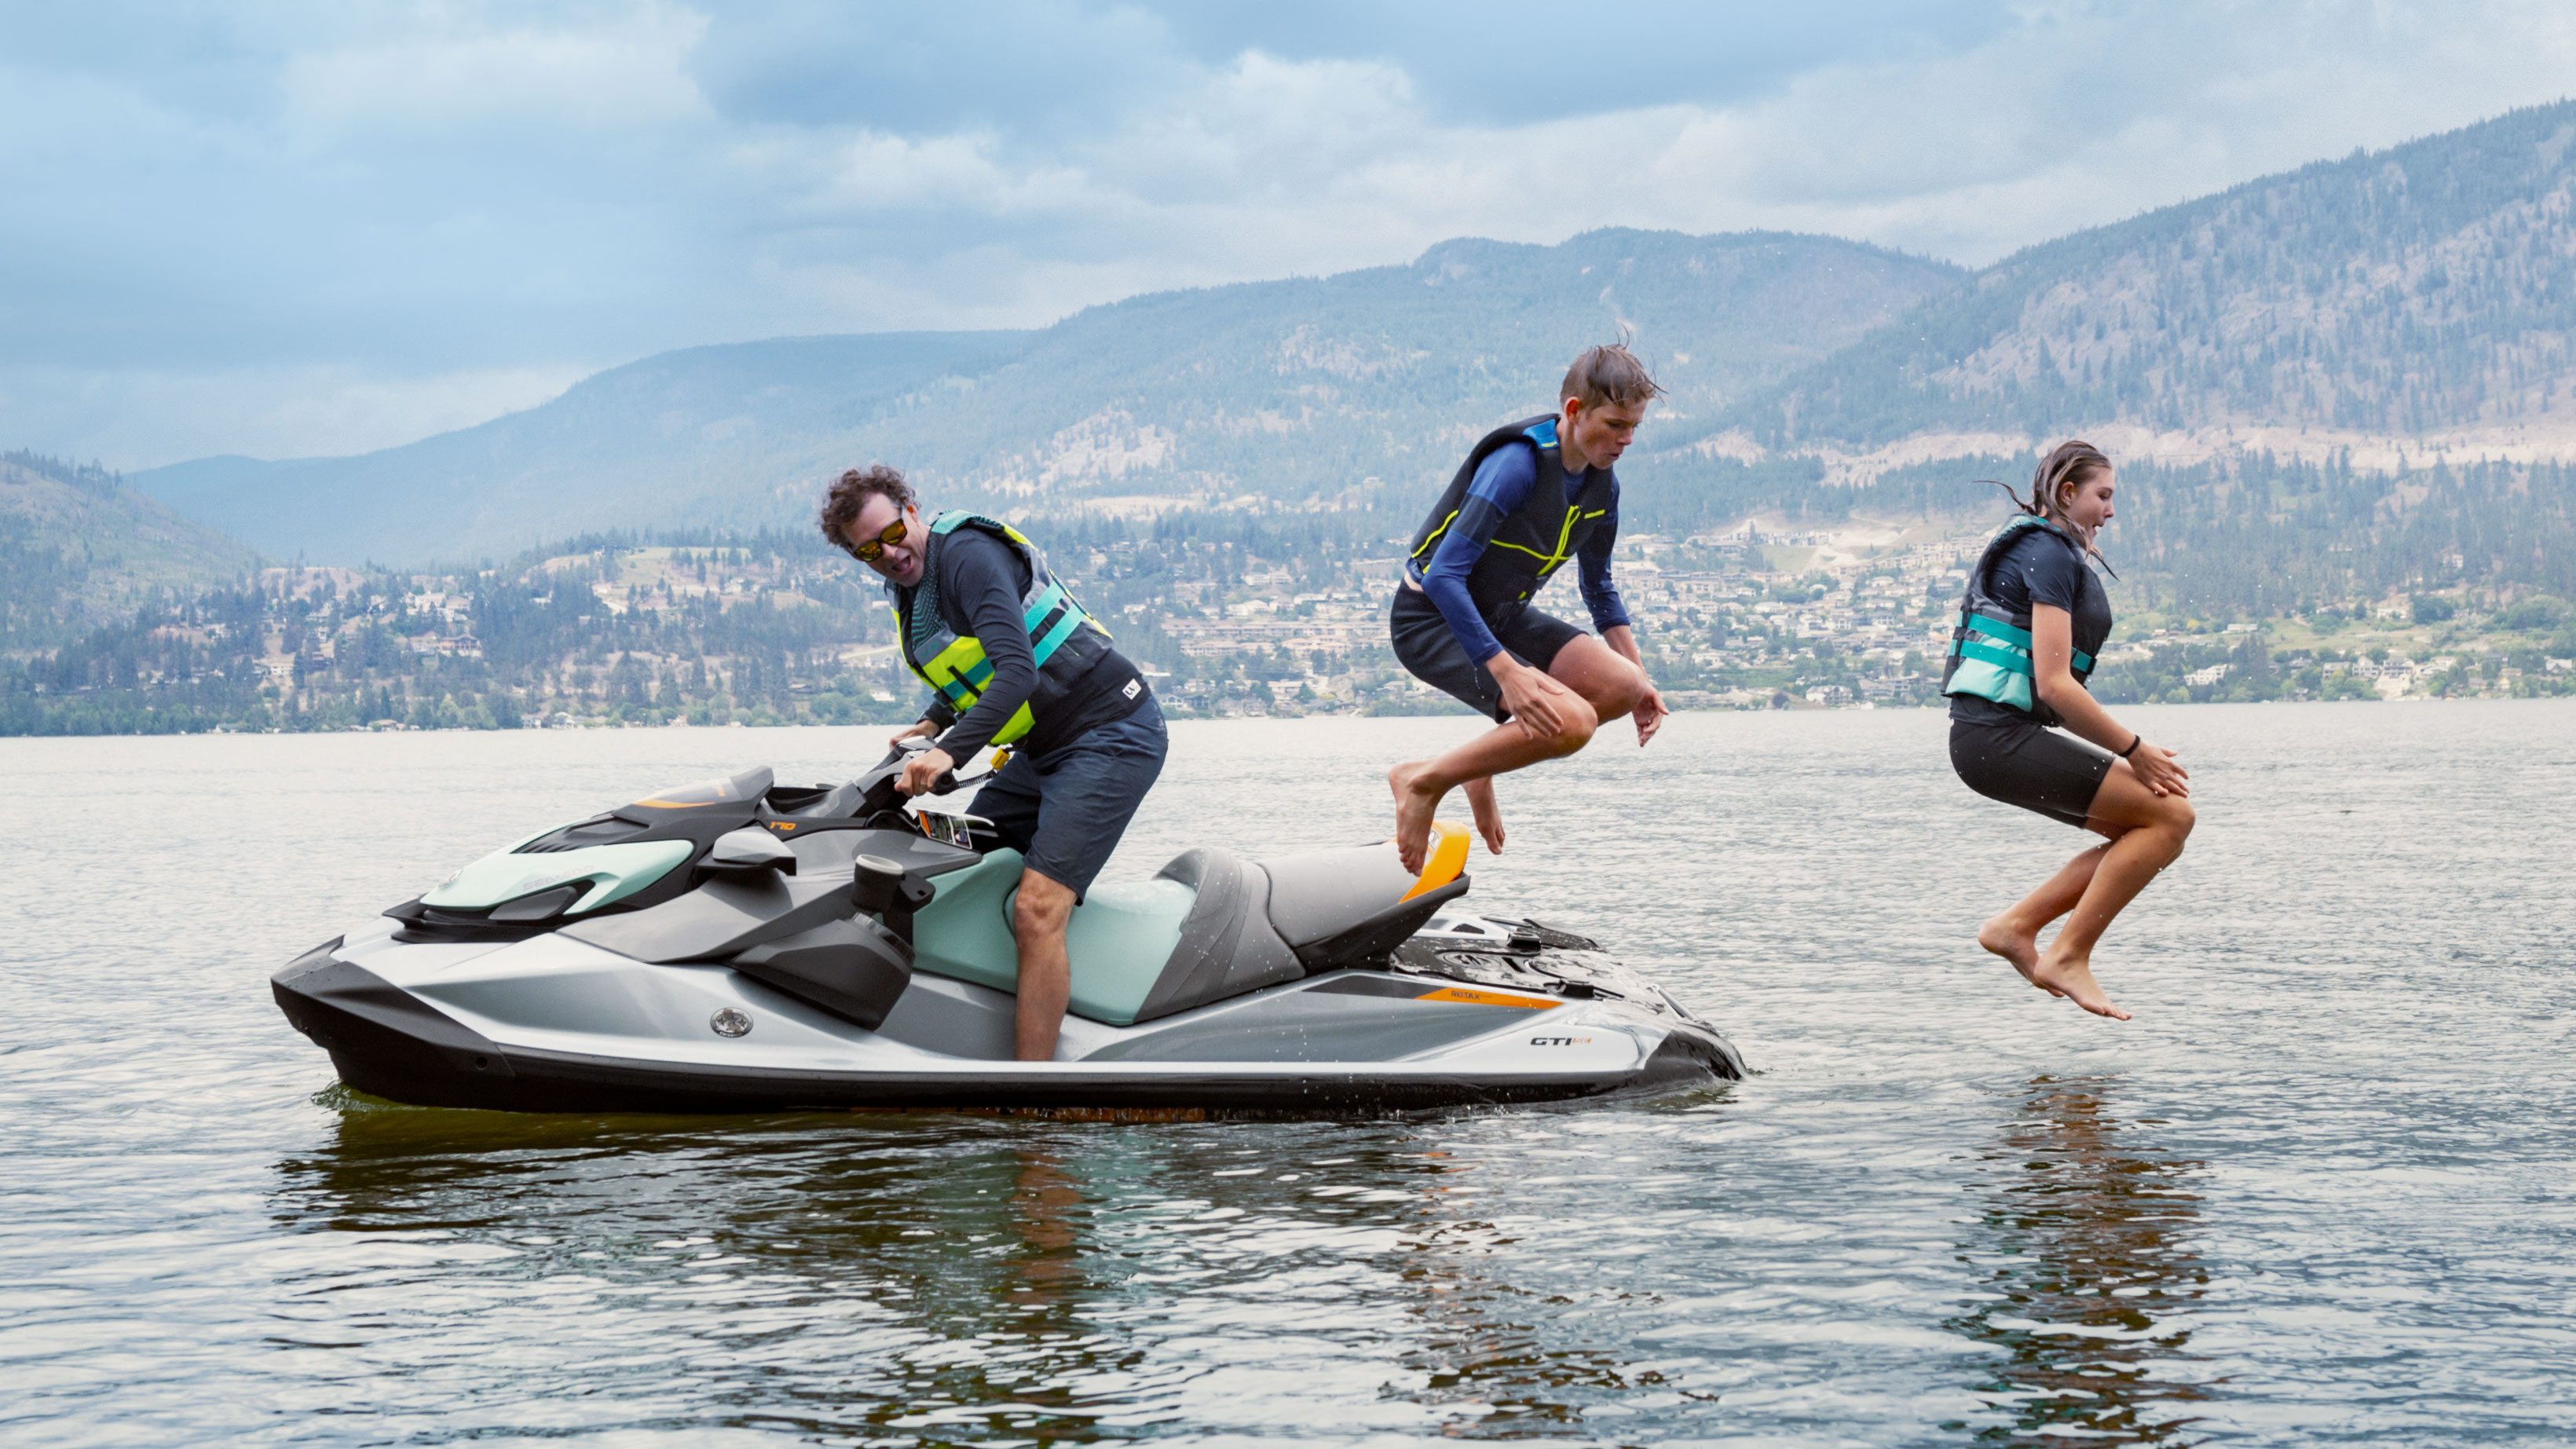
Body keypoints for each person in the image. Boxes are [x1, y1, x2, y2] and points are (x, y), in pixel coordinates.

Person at [819, 465, 1165, 1060]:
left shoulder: (969, 558)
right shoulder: (912, 585)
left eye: (892, 533)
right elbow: (972, 663)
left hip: (1111, 731)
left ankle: (1035, 1106)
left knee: (1036, 909)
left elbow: (1017, 671)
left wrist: (949, 749)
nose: (889, 554)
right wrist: (934, 719)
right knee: (958, 865)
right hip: (1044, 747)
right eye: (868, 551)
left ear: (910, 507)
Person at [1383, 343, 1670, 873]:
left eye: (1635, 427)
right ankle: (1422, 781)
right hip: (1431, 619)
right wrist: (1506, 671)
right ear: (1574, 412)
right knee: (1572, 722)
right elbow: (1444, 575)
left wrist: (1642, 678)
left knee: (1622, 685)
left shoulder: (1603, 490)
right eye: (1615, 424)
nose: (1627, 439)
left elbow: (1600, 588)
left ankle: (1475, 767)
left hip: (1500, 615)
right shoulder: (1516, 465)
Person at [1945, 441, 2194, 1020]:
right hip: (1994, 739)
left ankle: (2017, 927)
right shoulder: (2048, 554)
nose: (2111, 511)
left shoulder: (2047, 550)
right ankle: (2066, 952)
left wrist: (2131, 756)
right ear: (2067, 494)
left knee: (2154, 822)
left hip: (1991, 739)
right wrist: (2135, 750)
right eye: (2103, 496)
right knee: (2172, 814)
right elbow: (2056, 685)